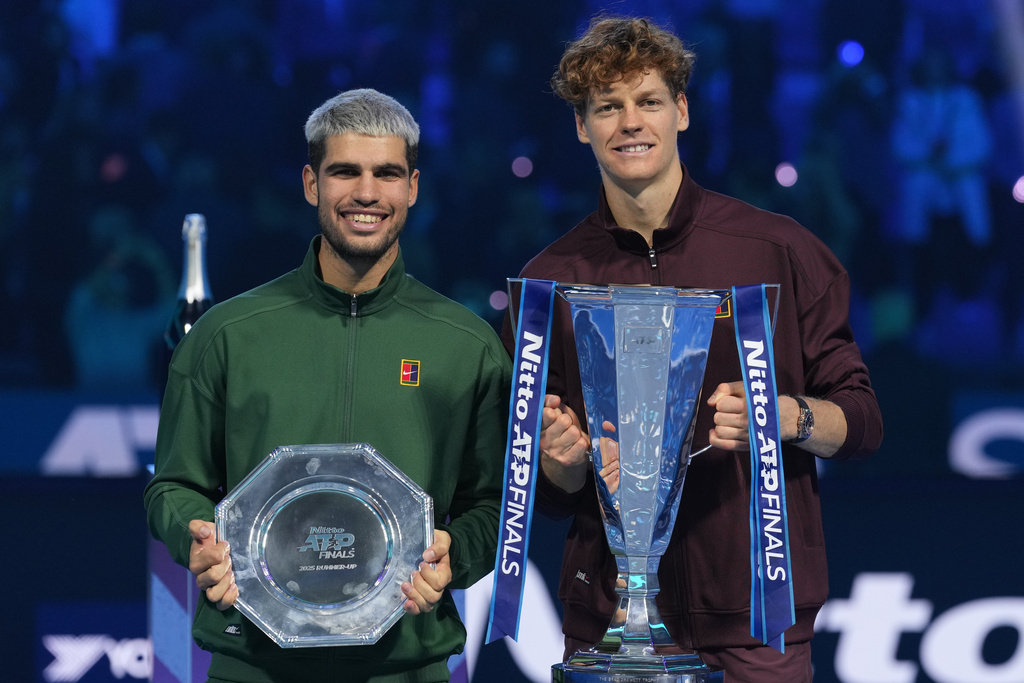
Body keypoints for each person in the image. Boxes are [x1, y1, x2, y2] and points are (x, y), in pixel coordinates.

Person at [505, 17, 883, 682]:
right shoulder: (549, 282)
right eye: (607, 107)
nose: (629, 123)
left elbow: (862, 423)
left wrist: (783, 415)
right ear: (580, 126)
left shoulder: (780, 251)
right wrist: (564, 461)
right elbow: (551, 491)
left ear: (681, 111)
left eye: (648, 101)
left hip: (756, 624)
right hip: (611, 624)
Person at [144, 88, 511, 682]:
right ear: (312, 184)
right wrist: (199, 539)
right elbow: (172, 486)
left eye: (387, 174)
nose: (367, 193)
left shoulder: (466, 345)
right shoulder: (227, 335)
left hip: (404, 667)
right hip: (254, 665)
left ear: (412, 188)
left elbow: (494, 505)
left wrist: (455, 555)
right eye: (346, 172)